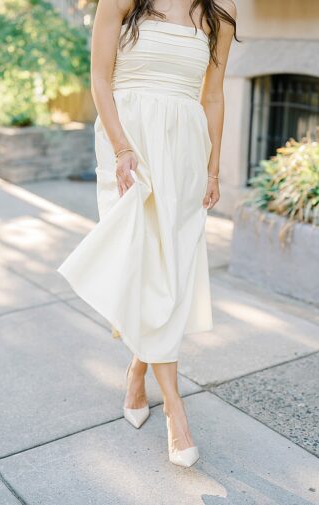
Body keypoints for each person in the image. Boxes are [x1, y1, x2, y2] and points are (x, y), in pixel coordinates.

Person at [58, 0, 238, 468]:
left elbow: (213, 95)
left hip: (185, 150)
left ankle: (138, 369)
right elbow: (100, 79)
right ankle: (175, 411)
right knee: (143, 267)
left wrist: (214, 168)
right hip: (129, 149)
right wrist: (121, 149)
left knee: (172, 271)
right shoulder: (121, 2)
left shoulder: (220, 12)